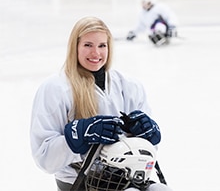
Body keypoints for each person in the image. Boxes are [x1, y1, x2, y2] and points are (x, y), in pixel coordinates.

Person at [30, 16, 172, 191]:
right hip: (79, 183)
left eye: (102, 46)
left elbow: (148, 150)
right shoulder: (56, 88)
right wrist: (77, 138)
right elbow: (44, 159)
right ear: (75, 47)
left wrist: (147, 136)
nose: (96, 53)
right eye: (88, 45)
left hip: (126, 176)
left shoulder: (129, 86)